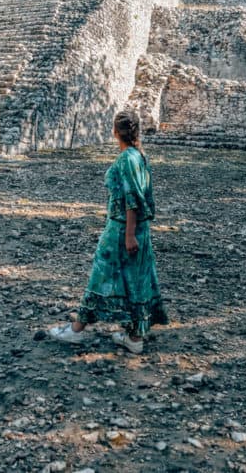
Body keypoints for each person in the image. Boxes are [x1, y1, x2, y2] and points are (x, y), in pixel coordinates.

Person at [49, 108, 168, 354]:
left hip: (123, 228)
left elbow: (131, 198)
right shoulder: (139, 155)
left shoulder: (127, 159)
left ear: (115, 131)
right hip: (138, 229)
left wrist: (128, 234)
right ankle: (135, 337)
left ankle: (77, 329)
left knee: (100, 274)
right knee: (136, 279)